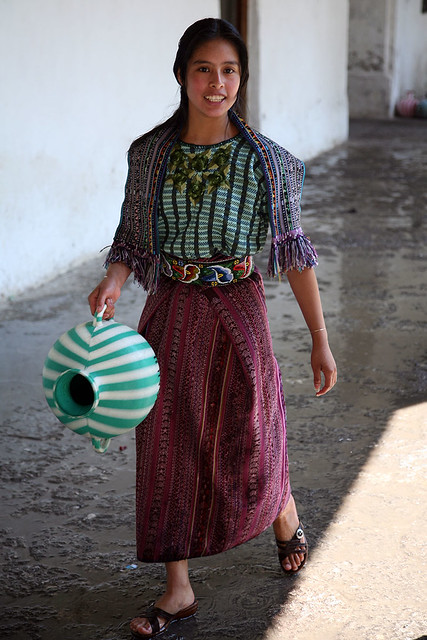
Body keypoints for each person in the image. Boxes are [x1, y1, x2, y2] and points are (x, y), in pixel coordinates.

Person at [88, 17, 337, 639]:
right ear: (181, 76)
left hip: (238, 310)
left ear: (242, 79)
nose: (216, 83)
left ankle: (282, 512)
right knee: (165, 443)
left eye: (229, 71)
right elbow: (131, 241)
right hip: (170, 314)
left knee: (251, 430)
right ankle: (178, 588)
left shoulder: (268, 164)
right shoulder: (150, 156)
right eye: (203, 69)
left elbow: (294, 253)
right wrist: (115, 283)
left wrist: (319, 338)